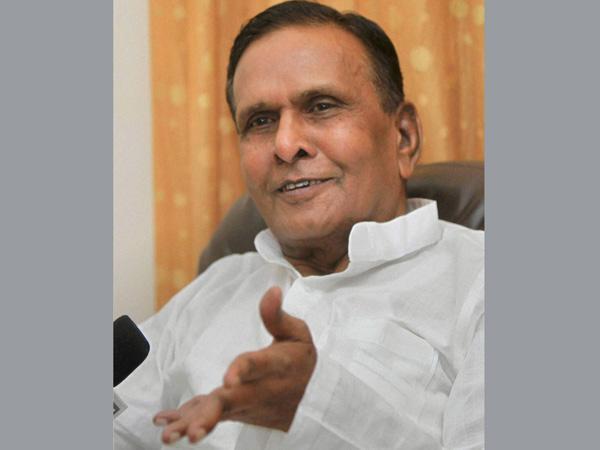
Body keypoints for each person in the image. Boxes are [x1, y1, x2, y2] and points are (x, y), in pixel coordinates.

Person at [114, 1, 484, 449]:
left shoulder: (481, 281)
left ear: (403, 137)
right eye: (261, 121)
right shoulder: (215, 286)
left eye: (322, 106)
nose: (286, 145)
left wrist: (320, 404)